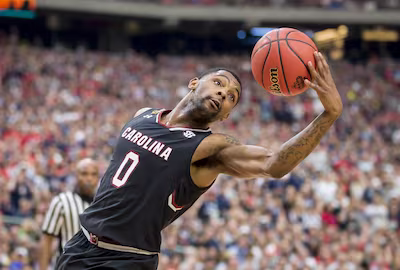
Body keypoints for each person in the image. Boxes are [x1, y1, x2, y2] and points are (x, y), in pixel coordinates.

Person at [56, 52, 342, 269]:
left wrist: (328, 115)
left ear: (226, 115)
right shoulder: (143, 114)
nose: (223, 93)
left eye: (231, 97)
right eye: (218, 83)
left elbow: (274, 163)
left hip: (126, 259)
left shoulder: (210, 149)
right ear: (194, 83)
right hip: (79, 244)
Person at [40, 158, 99, 270]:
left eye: (93, 174)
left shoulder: (101, 204)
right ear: (76, 176)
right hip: (67, 266)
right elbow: (47, 240)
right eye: (84, 174)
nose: (89, 178)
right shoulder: (62, 201)